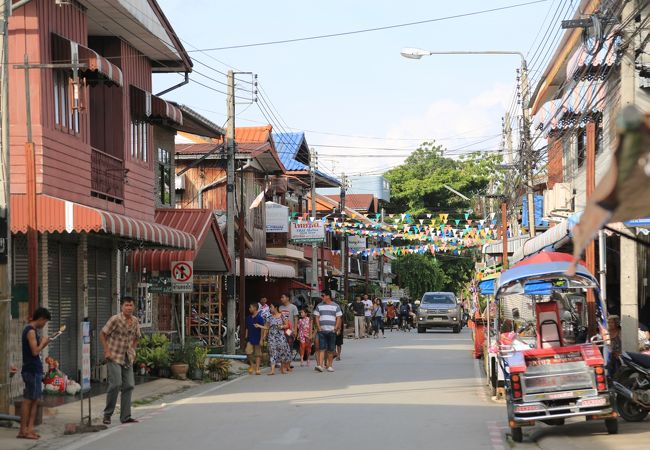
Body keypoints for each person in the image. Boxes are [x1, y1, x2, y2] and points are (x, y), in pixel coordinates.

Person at [101, 296, 141, 425]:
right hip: (114, 355)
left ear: (134, 307)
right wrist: (106, 351)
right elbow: (103, 334)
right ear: (122, 307)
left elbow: (137, 337)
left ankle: (125, 416)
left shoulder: (135, 321)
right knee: (116, 383)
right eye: (126, 305)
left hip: (127, 357)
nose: (129, 308)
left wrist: (133, 350)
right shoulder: (115, 319)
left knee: (129, 385)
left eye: (131, 305)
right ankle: (107, 414)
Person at [18, 307, 51, 440]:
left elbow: (36, 350)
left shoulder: (31, 330)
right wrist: (43, 342)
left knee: (34, 400)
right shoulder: (30, 331)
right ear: (41, 319)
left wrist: (44, 343)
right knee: (29, 400)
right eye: (45, 322)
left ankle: (28, 429)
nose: (44, 325)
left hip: (32, 369)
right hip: (32, 370)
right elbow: (35, 352)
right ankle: (24, 430)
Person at [313, 289, 343, 372]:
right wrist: (318, 327)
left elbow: (338, 317)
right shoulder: (319, 306)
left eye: (323, 295)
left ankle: (330, 365)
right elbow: (317, 317)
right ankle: (320, 365)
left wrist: (336, 328)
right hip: (322, 331)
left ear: (328, 296)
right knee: (321, 348)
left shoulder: (336, 306)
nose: (322, 297)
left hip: (331, 331)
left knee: (331, 349)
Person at [262, 303, 292, 375]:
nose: (270, 309)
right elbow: (267, 327)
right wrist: (264, 335)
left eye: (271, 307)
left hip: (280, 336)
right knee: (272, 352)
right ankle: (272, 370)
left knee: (282, 352)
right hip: (272, 337)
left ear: (275, 307)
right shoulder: (269, 317)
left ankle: (282, 368)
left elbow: (287, 325)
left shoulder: (282, 315)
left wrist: (281, 326)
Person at [245, 303, 265, 375]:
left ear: (255, 308)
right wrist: (246, 336)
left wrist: (261, 339)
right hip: (250, 338)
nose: (249, 309)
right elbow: (247, 328)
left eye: (250, 307)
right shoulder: (248, 318)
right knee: (248, 351)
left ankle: (257, 369)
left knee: (257, 354)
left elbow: (262, 329)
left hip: (257, 338)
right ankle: (252, 364)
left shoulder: (260, 318)